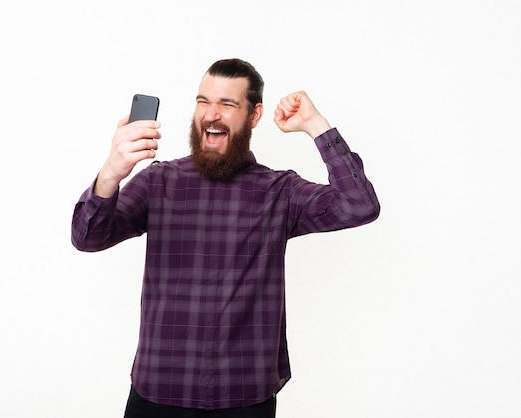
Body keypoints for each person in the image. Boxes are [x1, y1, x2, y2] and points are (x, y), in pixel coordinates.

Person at [71, 58, 380, 417]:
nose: (211, 114)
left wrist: (315, 125)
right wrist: (111, 171)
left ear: (254, 115)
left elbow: (360, 206)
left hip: (245, 397)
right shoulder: (159, 182)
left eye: (227, 104)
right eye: (203, 101)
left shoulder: (279, 191)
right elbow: (87, 236)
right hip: (158, 392)